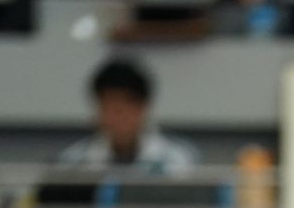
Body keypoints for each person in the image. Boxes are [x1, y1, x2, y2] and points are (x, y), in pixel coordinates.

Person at [56, 59, 198, 176]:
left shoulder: (178, 161)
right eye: (111, 108)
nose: (120, 118)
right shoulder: (72, 163)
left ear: (144, 108)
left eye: (127, 108)